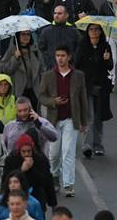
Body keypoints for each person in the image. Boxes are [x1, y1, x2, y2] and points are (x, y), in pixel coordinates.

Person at [38, 47, 89, 198]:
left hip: (71, 119)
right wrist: (54, 101)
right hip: (53, 120)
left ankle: (68, 184)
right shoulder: (48, 76)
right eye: (57, 55)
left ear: (69, 57)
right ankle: (55, 177)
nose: (60, 58)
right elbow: (41, 96)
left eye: (63, 55)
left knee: (68, 152)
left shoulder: (78, 75)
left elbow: (83, 99)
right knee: (54, 154)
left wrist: (84, 121)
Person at [76, 23, 114, 158]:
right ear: (87, 32)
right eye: (91, 29)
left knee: (99, 117)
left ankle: (98, 145)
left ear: (100, 32)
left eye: (96, 29)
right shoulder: (82, 46)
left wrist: (107, 59)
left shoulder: (105, 46)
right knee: (89, 117)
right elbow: (76, 65)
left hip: (101, 87)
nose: (93, 32)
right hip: (86, 87)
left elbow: (110, 66)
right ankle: (87, 146)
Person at [0, 30, 43, 106]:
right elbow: (5, 69)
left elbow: (42, 69)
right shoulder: (12, 50)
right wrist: (15, 58)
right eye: (23, 34)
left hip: (34, 91)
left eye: (28, 34)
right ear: (18, 36)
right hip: (19, 91)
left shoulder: (35, 50)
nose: (26, 37)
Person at [38, 5, 82, 70]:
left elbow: (80, 48)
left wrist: (73, 62)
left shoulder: (74, 31)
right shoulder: (46, 31)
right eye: (55, 13)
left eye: (59, 13)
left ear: (66, 15)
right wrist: (48, 62)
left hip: (70, 68)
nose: (56, 15)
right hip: (51, 69)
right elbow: (41, 49)